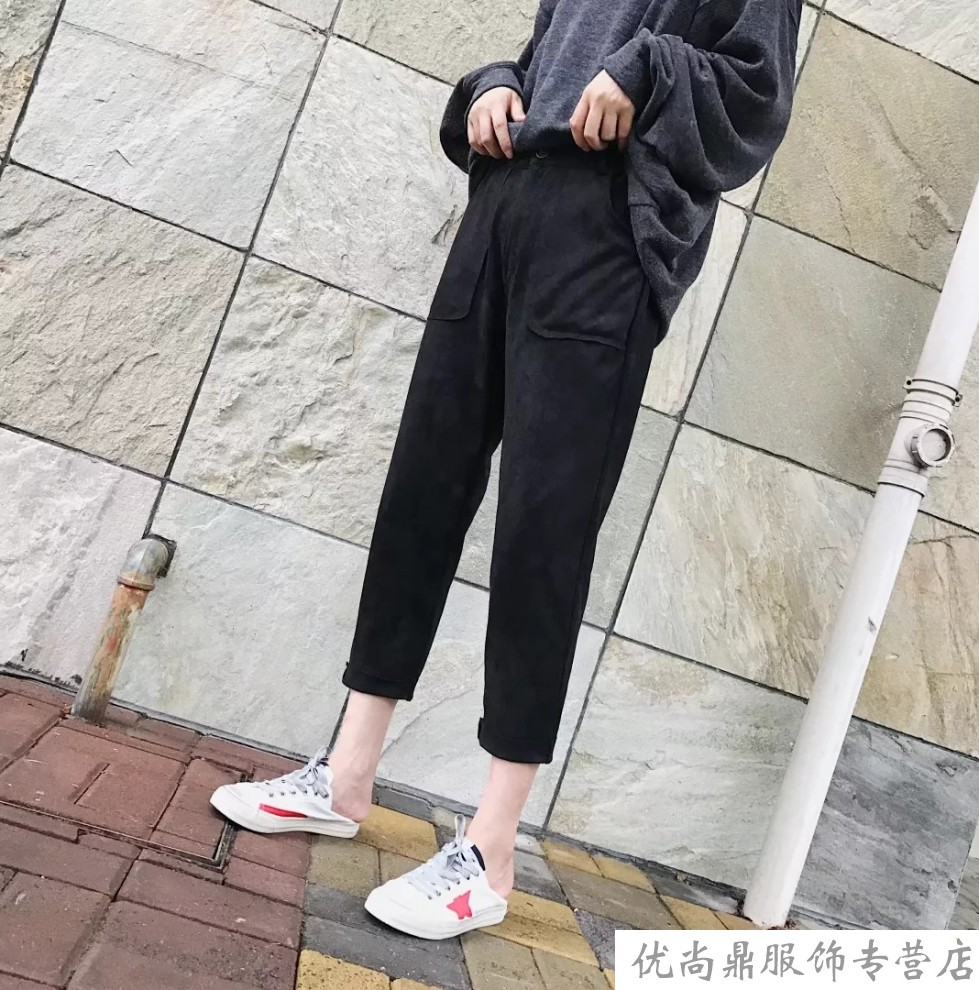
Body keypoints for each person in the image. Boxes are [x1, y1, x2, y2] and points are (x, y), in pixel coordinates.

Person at [211, 0, 801, 941]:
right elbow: (546, 60)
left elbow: (757, 97)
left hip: (607, 230)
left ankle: (489, 850)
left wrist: (650, 68)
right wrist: (495, 87)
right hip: (506, 201)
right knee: (423, 485)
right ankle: (347, 774)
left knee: (544, 529)